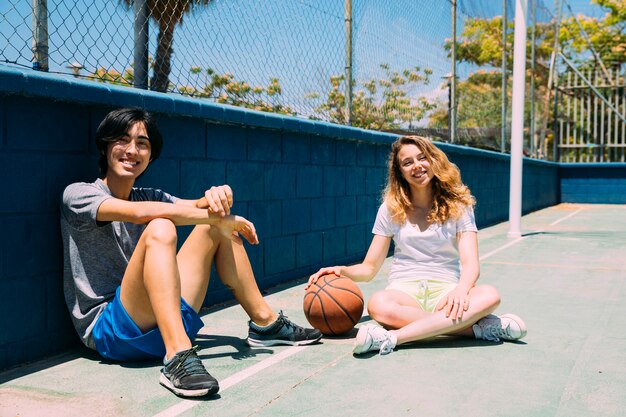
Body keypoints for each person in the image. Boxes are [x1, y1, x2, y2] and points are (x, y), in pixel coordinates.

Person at [61, 108, 321, 398]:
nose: (132, 150)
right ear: (106, 145)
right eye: (123, 140)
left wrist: (217, 197)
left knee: (215, 228)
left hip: (161, 320)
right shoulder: (78, 194)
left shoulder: (151, 195)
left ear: (150, 155)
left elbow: (197, 209)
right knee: (161, 226)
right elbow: (138, 214)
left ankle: (265, 323)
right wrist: (215, 217)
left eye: (142, 143)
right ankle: (177, 357)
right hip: (112, 332)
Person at [308, 135, 527, 355]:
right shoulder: (390, 208)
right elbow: (369, 268)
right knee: (378, 304)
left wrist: (461, 291)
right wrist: (341, 271)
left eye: (422, 158)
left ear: (433, 160)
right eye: (407, 162)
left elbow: (471, 264)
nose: (417, 166)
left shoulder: (459, 206)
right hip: (405, 292)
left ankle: (392, 338)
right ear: (399, 171)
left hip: (446, 292)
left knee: (490, 295)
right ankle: (477, 329)